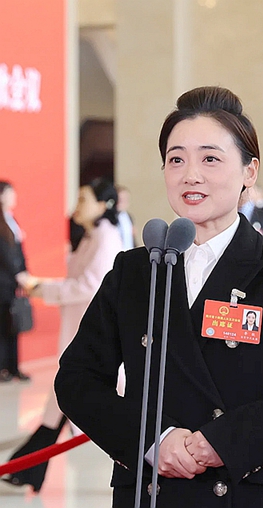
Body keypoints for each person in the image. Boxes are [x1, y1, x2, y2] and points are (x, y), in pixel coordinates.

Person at [54, 87, 263, 508]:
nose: (190, 175)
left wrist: (229, 440)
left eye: (210, 159)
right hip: (152, 490)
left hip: (245, 489)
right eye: (176, 159)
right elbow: (77, 378)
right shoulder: (135, 270)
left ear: (249, 171)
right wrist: (152, 439)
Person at [1, 178, 123, 492]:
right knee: (59, 402)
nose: (77, 207)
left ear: (102, 204)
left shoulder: (106, 237)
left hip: (93, 337)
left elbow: (90, 285)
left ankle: (26, 467)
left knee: (73, 401)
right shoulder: (91, 236)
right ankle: (28, 468)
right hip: (80, 332)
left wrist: (44, 289)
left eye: (83, 200)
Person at [0, 181, 31, 382]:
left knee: (13, 325)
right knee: (3, 326)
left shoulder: (11, 219)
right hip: (3, 282)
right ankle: (2, 367)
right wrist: (16, 273)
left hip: (13, 283)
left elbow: (19, 250)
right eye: (10, 194)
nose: (14, 197)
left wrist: (25, 273)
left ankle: (13, 366)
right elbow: (5, 253)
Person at [116, 184, 137, 250]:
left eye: (125, 199)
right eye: (120, 199)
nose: (121, 202)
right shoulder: (109, 219)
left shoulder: (129, 217)